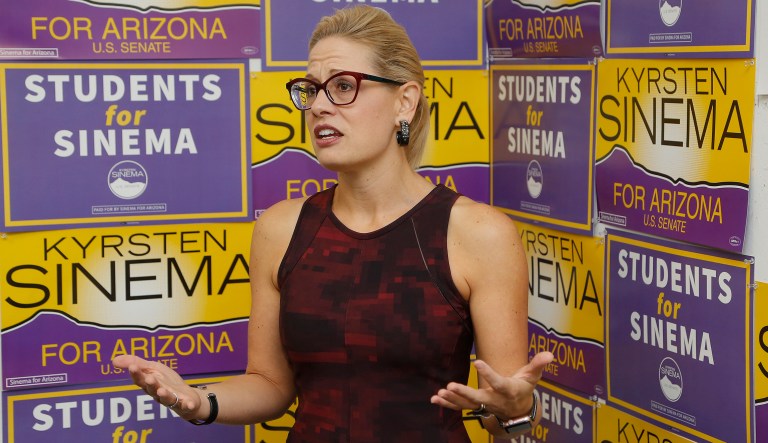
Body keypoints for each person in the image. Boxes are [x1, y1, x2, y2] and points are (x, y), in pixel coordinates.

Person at [113, 5, 554, 441]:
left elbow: (502, 407)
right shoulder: (281, 229)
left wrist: (517, 410)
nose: (319, 106)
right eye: (311, 89)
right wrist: (197, 400)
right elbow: (269, 384)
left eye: (343, 86)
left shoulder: (478, 233)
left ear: (404, 101)